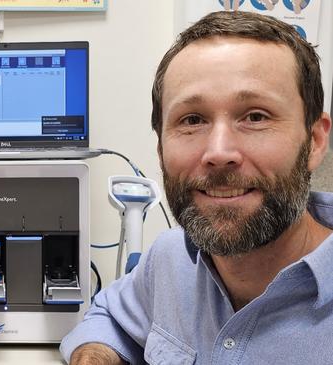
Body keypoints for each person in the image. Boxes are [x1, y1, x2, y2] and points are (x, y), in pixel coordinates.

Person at [61, 10, 332, 365]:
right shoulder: (171, 258)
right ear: (160, 149)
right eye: (192, 120)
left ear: (313, 141)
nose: (219, 153)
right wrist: (95, 356)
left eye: (255, 116)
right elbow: (109, 318)